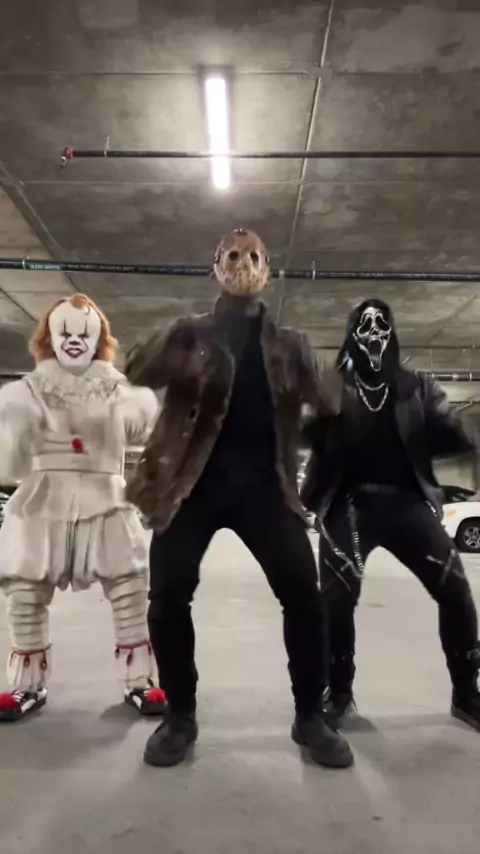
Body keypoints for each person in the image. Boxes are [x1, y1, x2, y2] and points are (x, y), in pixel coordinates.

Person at [125, 228, 353, 769]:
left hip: (265, 488)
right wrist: (173, 338)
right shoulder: (192, 335)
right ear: (216, 266)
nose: (243, 263)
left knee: (304, 593)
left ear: (267, 269)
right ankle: (180, 715)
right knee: (168, 594)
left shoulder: (289, 343)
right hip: (191, 485)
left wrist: (327, 377)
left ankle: (310, 716)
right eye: (232, 255)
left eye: (254, 256)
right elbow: (135, 370)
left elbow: (331, 404)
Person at [301, 298, 480, 730]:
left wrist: (449, 432)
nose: (374, 333)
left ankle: (466, 692)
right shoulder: (333, 387)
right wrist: (316, 422)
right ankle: (338, 693)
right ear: (351, 335)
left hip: (406, 503)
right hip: (348, 504)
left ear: (393, 333)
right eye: (364, 326)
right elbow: (303, 430)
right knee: (336, 601)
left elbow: (447, 430)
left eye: (382, 325)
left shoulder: (417, 386)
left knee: (456, 590)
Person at [0, 294, 166, 721]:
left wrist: (130, 411)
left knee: (129, 587)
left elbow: (145, 430)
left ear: (98, 339)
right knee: (24, 591)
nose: (74, 340)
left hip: (104, 494)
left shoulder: (118, 388)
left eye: (84, 333)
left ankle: (139, 681)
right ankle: (26, 686)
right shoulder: (28, 390)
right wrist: (16, 425)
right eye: (66, 332)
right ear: (50, 337)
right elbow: (9, 461)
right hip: (44, 496)